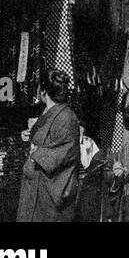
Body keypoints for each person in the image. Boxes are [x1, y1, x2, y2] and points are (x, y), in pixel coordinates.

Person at [16, 68, 81, 223]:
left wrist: (37, 153)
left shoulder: (66, 117)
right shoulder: (50, 111)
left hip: (51, 186)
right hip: (38, 183)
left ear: (43, 91)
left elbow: (65, 150)